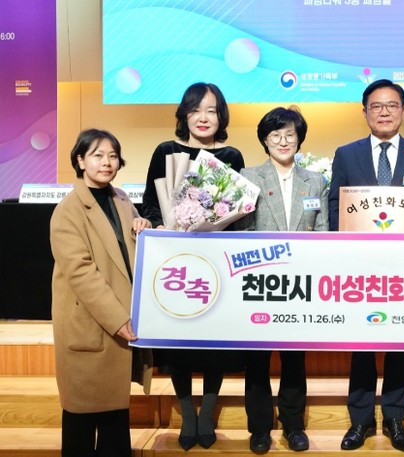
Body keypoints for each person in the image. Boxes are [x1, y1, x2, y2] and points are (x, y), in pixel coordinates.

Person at [328, 79, 404, 452]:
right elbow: (335, 206)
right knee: (361, 342)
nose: (384, 112)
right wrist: (348, 241)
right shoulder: (346, 154)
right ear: (364, 112)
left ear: (403, 111)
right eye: (376, 106)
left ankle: (395, 418)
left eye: (392, 105)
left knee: (399, 341)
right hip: (360, 267)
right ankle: (360, 421)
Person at [141, 82, 246, 450]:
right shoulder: (166, 151)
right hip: (176, 262)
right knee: (179, 343)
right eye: (196, 110)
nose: (204, 118)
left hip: (216, 262)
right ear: (184, 114)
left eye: (212, 111)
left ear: (221, 116)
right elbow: (150, 203)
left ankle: (208, 414)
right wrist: (159, 225)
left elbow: (238, 210)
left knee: (214, 341)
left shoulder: (231, 156)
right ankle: (188, 414)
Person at [50, 128, 152, 456]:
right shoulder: (68, 210)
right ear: (80, 161)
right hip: (93, 323)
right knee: (81, 417)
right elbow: (81, 274)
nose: (107, 162)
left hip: (121, 322)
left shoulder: (121, 199)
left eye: (113, 156)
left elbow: (127, 250)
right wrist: (117, 318)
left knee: (114, 419)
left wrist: (144, 226)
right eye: (98, 155)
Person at [234, 106, 328, 453]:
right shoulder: (248, 176)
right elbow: (242, 231)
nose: (283, 141)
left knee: (294, 357)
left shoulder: (315, 180)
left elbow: (322, 231)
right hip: (260, 281)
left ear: (299, 139)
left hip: (300, 282)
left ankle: (293, 425)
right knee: (257, 359)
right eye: (276, 135)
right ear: (265, 140)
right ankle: (259, 428)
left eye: (290, 134)